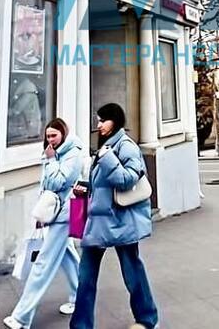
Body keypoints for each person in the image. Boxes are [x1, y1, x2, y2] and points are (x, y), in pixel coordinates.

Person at [70, 104, 158, 329]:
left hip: (120, 221)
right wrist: (85, 187)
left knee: (132, 272)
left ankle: (147, 320)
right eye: (98, 120)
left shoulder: (126, 146)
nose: (99, 125)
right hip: (98, 221)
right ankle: (81, 325)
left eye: (103, 120)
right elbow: (104, 185)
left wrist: (107, 158)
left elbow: (127, 179)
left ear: (115, 120)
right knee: (86, 277)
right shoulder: (107, 146)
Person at [3, 118, 84, 328]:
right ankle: (80, 297)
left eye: (54, 135)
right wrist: (42, 215)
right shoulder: (56, 153)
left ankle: (22, 317)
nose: (50, 140)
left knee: (43, 264)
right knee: (68, 257)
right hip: (57, 212)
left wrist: (50, 160)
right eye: (47, 136)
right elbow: (46, 185)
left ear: (63, 133)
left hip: (67, 213)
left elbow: (58, 182)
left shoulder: (72, 154)